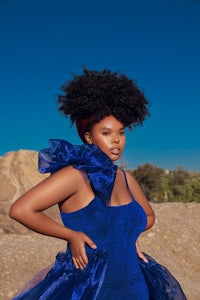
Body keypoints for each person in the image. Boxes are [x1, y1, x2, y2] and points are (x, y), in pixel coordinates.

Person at [9, 68, 155, 299]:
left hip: (135, 285)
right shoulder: (75, 175)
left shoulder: (126, 178)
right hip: (93, 288)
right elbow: (20, 210)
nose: (116, 140)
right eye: (106, 133)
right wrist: (71, 235)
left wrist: (127, 235)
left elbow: (148, 217)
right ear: (89, 137)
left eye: (121, 132)